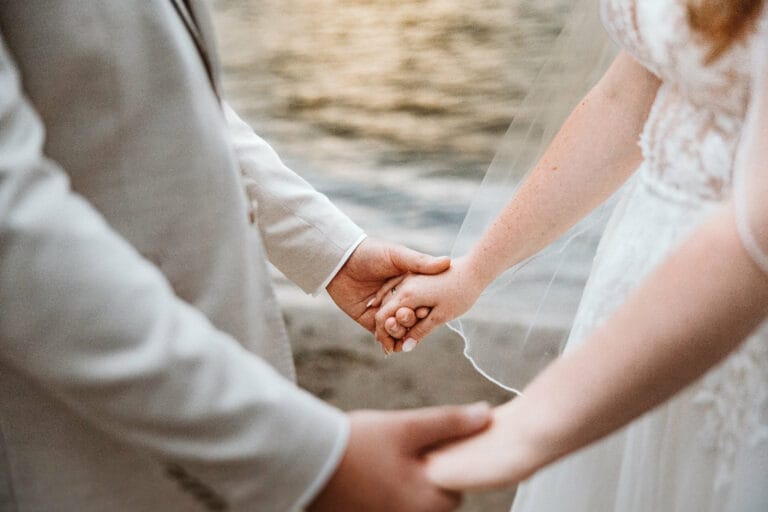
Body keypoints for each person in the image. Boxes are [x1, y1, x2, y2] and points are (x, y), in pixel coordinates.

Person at [0, 1, 493, 511]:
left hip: (229, 360)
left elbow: (176, 99)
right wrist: (310, 458)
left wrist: (332, 253)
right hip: (77, 431)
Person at [374, 0, 768, 510]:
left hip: (733, 312)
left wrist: (529, 428)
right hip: (631, 298)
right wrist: (475, 271)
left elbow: (754, 228)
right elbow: (629, 97)